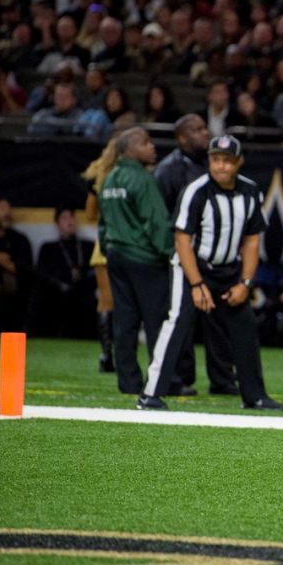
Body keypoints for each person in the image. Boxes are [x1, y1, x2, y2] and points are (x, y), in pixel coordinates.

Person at [137, 135, 283, 412]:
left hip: (229, 270)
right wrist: (196, 283)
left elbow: (252, 241)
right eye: (215, 160)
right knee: (177, 322)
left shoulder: (251, 192)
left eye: (227, 161)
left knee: (245, 325)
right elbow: (182, 239)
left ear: (239, 162)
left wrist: (245, 283)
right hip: (192, 266)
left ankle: (254, 396)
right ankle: (151, 393)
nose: (221, 167)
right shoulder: (196, 190)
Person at [154, 112, 237, 395]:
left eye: (204, 128)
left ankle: (222, 379)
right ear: (181, 138)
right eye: (197, 130)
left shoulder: (212, 164)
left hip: (214, 254)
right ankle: (179, 379)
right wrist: (173, 251)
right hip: (185, 253)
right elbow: (161, 216)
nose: (205, 133)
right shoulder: (168, 170)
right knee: (182, 320)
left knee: (220, 320)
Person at [99, 127, 174, 395]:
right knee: (157, 322)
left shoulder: (109, 179)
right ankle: (161, 381)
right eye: (145, 142)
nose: (152, 146)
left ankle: (128, 382)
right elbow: (156, 223)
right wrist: (170, 253)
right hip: (144, 258)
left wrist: (110, 250)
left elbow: (102, 223)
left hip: (116, 256)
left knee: (125, 322)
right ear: (129, 149)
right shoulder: (142, 180)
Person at [81, 139, 119, 372]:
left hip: (103, 245)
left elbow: (89, 214)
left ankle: (106, 355)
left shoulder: (98, 181)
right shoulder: (137, 177)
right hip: (130, 245)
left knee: (106, 302)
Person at [30, 208, 97, 337]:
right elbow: (42, 273)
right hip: (56, 293)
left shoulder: (88, 246)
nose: (69, 221)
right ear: (57, 223)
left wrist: (80, 281)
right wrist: (62, 284)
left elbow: (94, 273)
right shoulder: (49, 248)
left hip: (83, 292)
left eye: (72, 217)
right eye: (64, 218)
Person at [0, 198, 34, 335]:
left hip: (11, 283)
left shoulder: (19, 239)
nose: (6, 212)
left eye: (8, 209)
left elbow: (21, 268)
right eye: (1, 208)